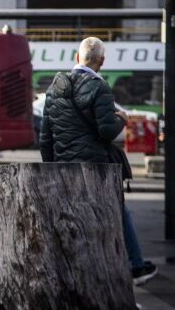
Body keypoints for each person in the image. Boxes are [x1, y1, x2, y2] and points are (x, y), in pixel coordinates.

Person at [39, 37, 158, 285]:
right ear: (101, 61)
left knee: (68, 217)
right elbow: (106, 132)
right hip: (95, 167)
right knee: (117, 210)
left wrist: (51, 167)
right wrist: (123, 119)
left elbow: (45, 137)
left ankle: (65, 269)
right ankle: (135, 266)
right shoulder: (99, 88)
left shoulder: (53, 89)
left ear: (76, 57)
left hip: (63, 167)